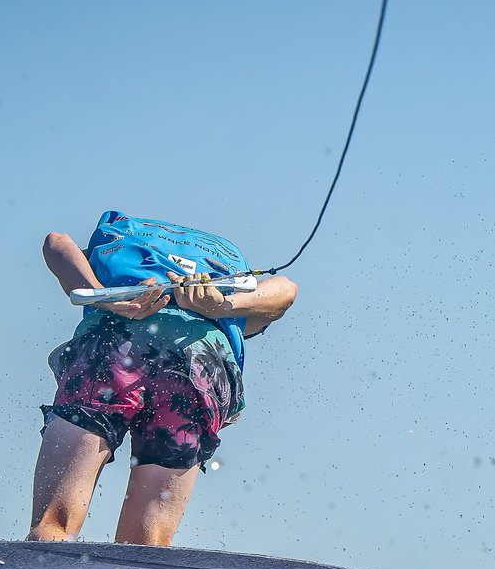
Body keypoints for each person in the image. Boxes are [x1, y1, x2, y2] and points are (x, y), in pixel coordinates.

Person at [29, 212, 298, 547]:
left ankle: (42, 565)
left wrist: (104, 295)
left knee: (54, 521)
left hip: (111, 344)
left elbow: (57, 242)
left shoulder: (121, 251)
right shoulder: (232, 299)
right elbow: (287, 289)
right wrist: (222, 305)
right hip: (199, 365)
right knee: (147, 544)